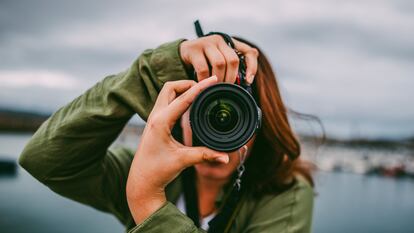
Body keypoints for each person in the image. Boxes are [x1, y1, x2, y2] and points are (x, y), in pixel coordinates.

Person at [19, 34, 314, 232]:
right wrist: (147, 72)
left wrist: (147, 202)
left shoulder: (286, 193)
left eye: (237, 114)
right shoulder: (142, 170)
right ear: (176, 111)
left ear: (261, 123)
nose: (217, 133)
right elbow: (45, 160)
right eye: (202, 108)